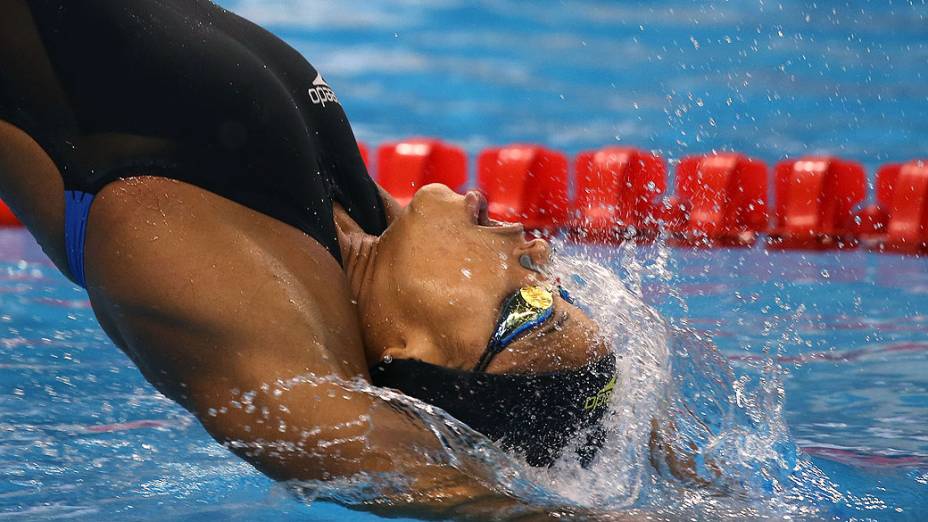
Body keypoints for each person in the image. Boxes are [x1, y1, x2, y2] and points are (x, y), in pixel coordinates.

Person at [0, 1, 633, 515]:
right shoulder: (364, 234)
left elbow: (427, 476)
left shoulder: (226, 295)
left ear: (412, 351)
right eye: (556, 289)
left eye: (527, 307)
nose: (539, 251)